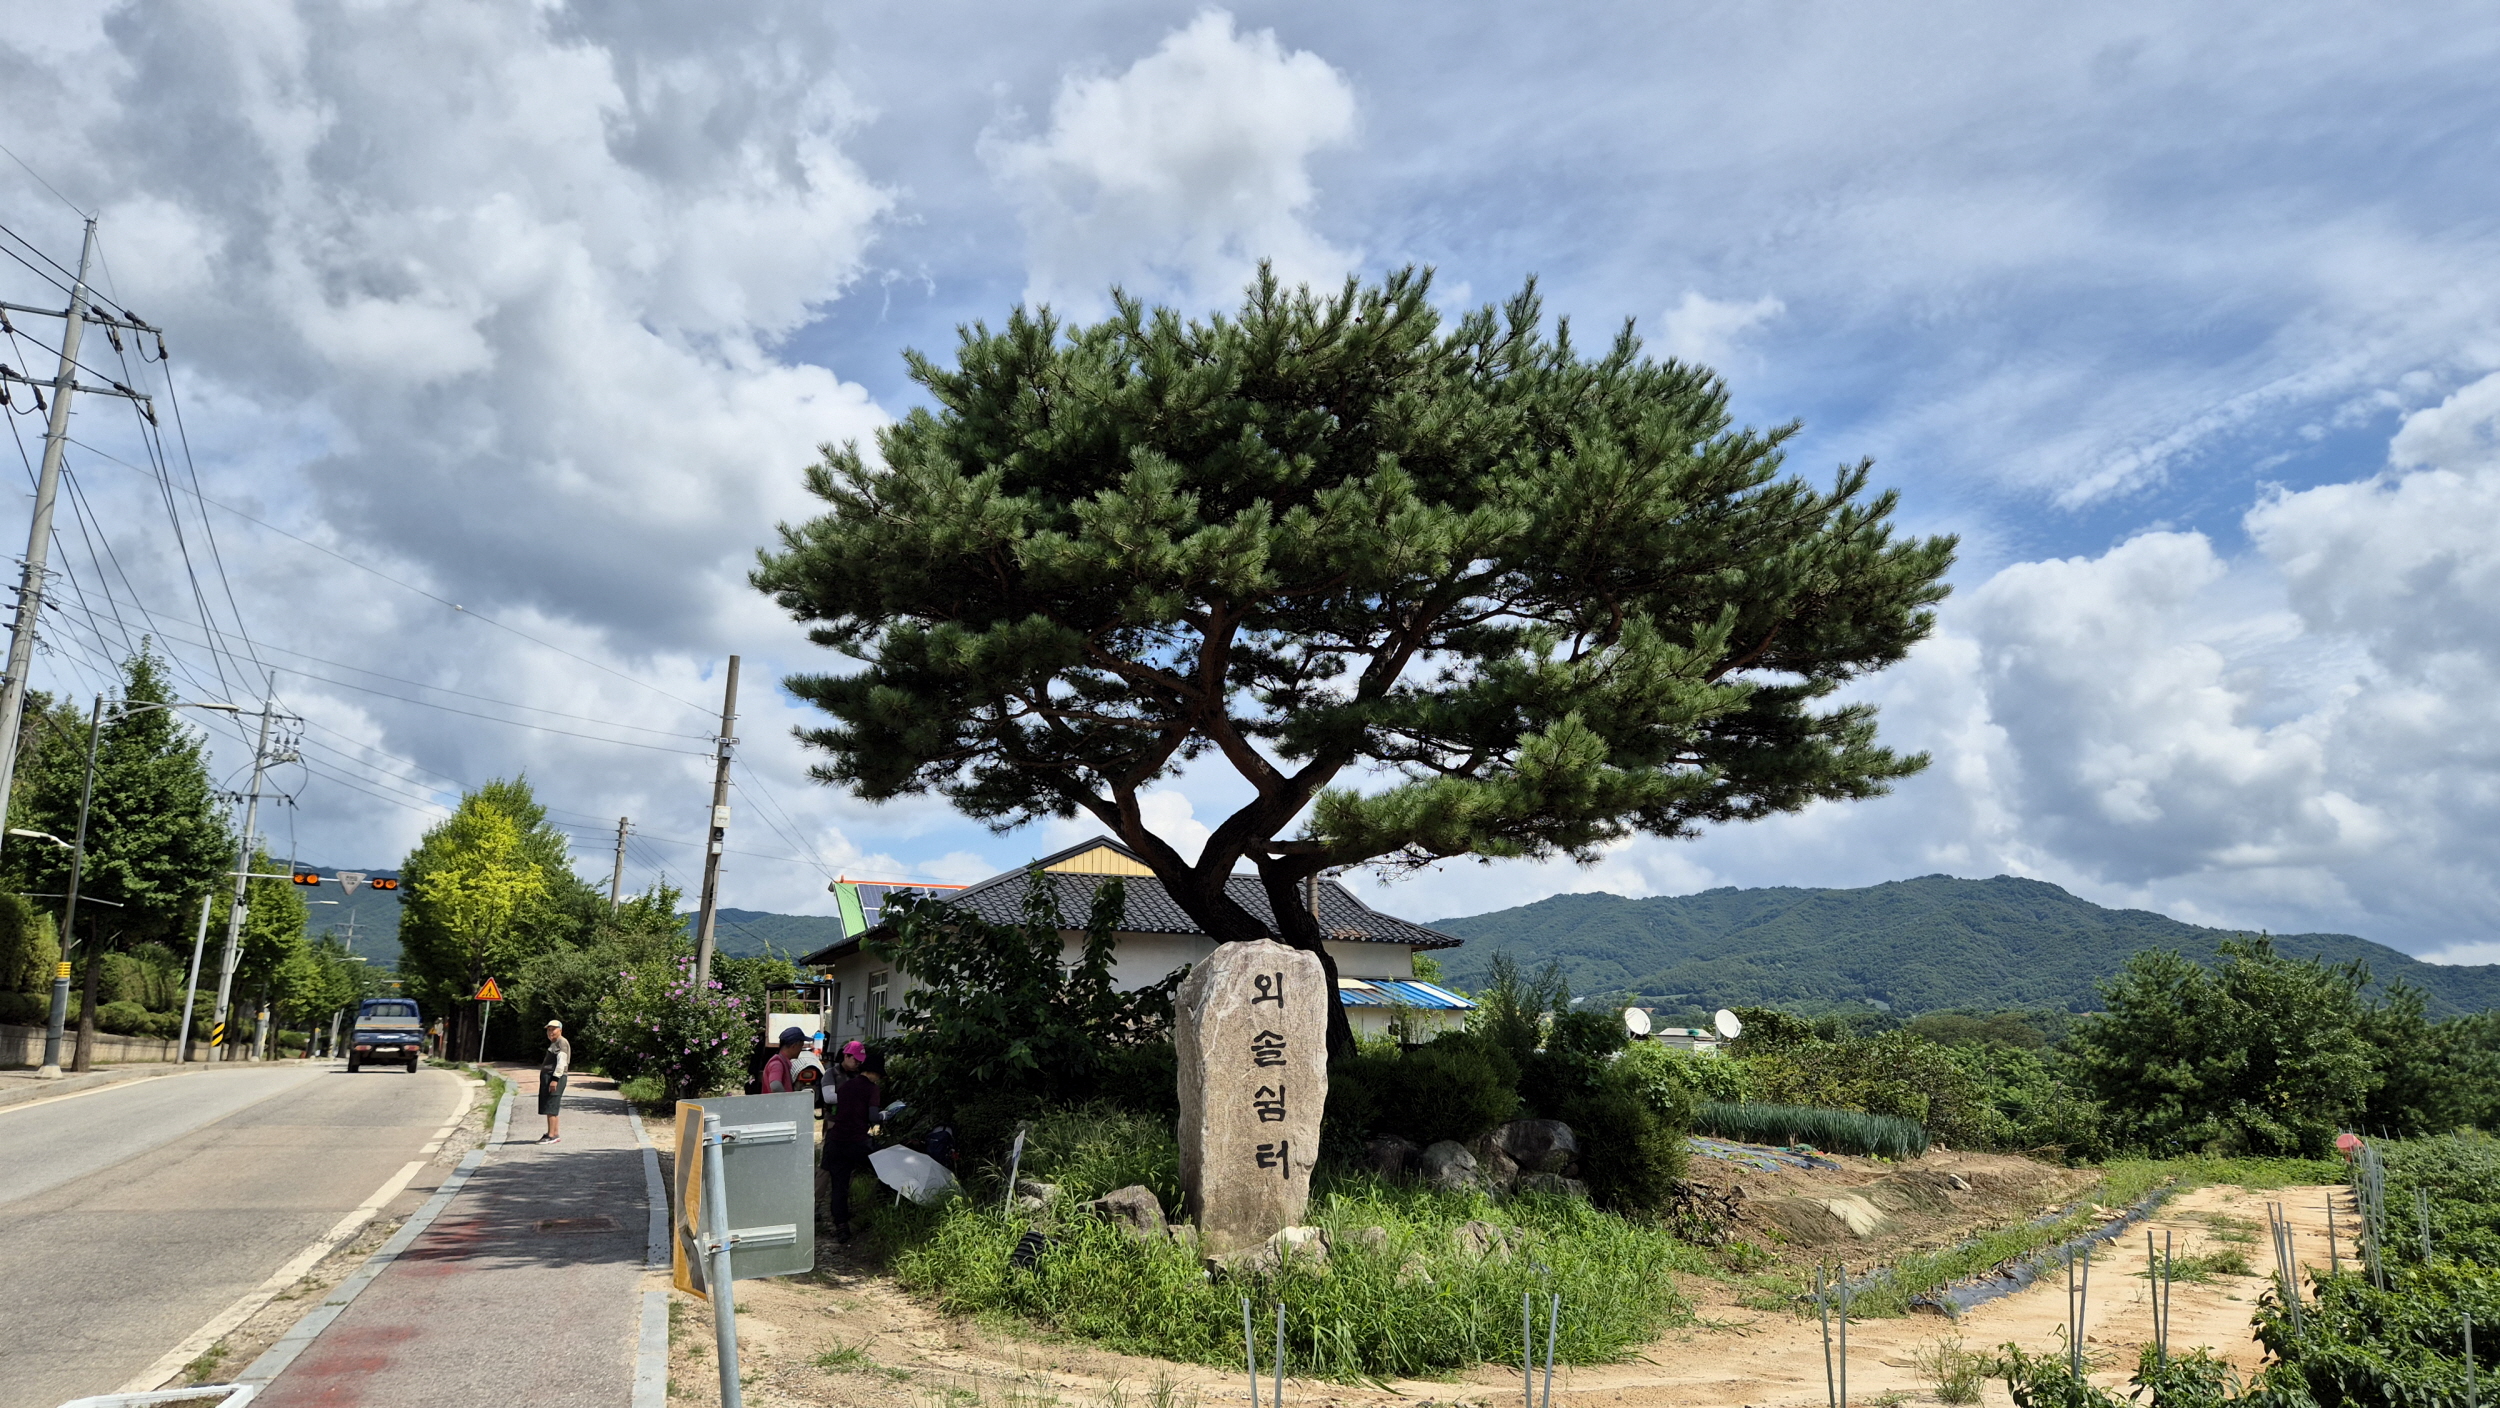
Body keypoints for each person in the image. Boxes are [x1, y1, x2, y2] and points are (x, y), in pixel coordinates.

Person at [822, 1048, 884, 1243]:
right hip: (858, 1142)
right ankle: (881, 1207)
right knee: (884, 1168)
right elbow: (873, 1117)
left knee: (839, 1186)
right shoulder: (872, 1089)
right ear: (875, 1073)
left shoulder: (846, 1086)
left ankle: (841, 1227)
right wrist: (884, 1116)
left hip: (836, 1140)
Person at [539, 1019, 571, 1143]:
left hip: (554, 1077)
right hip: (550, 1076)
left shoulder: (561, 1042)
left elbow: (562, 1062)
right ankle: (554, 1133)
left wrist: (555, 1079)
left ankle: (551, 1135)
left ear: (560, 1030)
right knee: (551, 1105)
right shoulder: (555, 1042)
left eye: (553, 1029)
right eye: (549, 1030)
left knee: (551, 1105)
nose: (550, 1032)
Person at [761, 1027, 808, 1093]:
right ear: (793, 1046)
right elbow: (775, 1086)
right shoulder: (777, 1064)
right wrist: (786, 1098)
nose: (801, 1049)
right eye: (801, 1046)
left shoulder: (783, 1062)